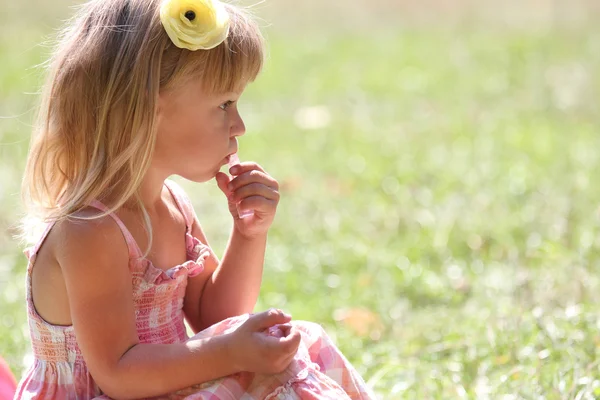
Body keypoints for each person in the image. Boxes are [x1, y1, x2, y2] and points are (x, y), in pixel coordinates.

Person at [14, 0, 376, 398]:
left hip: (158, 390)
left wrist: (249, 234)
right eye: (224, 104)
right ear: (147, 108)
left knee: (299, 342)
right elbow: (119, 373)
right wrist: (229, 352)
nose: (239, 125)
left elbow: (217, 317)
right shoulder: (91, 230)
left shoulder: (171, 206)